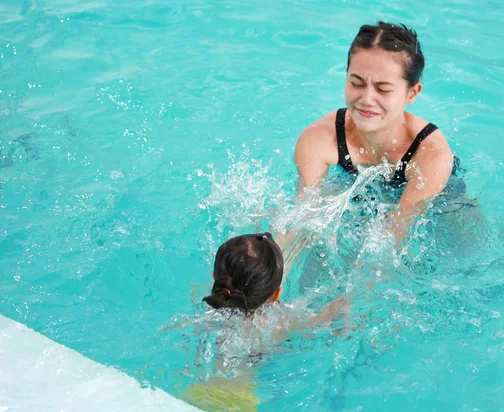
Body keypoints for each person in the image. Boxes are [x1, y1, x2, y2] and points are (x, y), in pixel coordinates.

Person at [283, 21, 456, 252]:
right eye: (356, 83)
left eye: (383, 89)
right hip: (355, 185)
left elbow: (393, 240)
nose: (366, 99)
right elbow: (301, 218)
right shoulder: (320, 138)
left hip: (443, 201)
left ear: (412, 93)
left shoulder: (431, 154)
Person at [179, 232, 348, 410]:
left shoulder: (207, 300)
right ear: (276, 294)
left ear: (215, 277)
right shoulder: (277, 323)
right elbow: (325, 319)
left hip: (196, 390)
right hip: (237, 401)